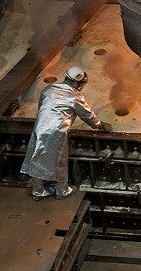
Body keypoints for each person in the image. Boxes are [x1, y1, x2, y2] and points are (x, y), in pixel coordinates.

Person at [21, 66, 113, 200]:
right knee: (60, 160)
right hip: (56, 131)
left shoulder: (49, 88)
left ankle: (38, 191)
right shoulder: (75, 96)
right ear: (76, 82)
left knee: (37, 156)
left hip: (40, 127)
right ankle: (62, 190)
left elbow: (42, 106)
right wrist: (100, 125)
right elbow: (86, 115)